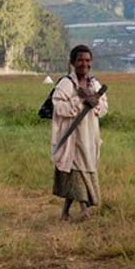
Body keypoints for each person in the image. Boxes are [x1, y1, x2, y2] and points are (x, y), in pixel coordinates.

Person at [51, 45, 108, 222]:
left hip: (89, 135)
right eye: (80, 60)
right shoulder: (65, 84)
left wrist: (95, 102)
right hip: (72, 137)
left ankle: (65, 213)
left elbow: (104, 108)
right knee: (77, 169)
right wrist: (80, 100)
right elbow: (59, 107)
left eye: (87, 60)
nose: (84, 64)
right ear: (73, 63)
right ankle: (84, 210)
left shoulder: (95, 84)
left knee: (82, 168)